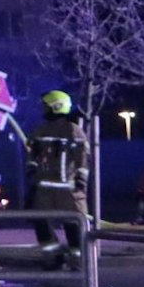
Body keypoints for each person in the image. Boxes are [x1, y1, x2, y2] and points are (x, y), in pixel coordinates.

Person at [28, 91, 89, 269]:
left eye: (46, 106)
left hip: (62, 189)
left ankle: (69, 260)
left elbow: (82, 160)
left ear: (56, 106)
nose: (43, 109)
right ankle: (63, 259)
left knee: (70, 226)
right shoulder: (72, 130)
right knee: (53, 224)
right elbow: (33, 155)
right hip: (58, 190)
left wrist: (81, 181)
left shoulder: (72, 130)